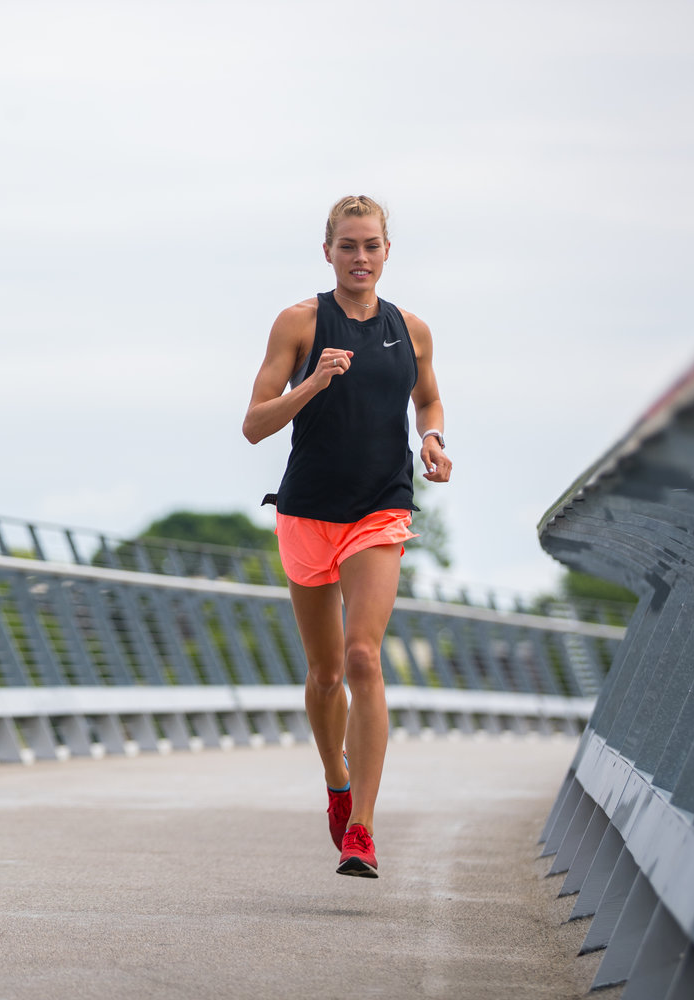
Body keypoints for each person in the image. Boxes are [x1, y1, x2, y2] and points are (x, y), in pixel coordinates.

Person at [241, 195, 451, 878]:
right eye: (348, 246)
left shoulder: (411, 329)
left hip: (380, 509)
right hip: (307, 511)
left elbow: (427, 396)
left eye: (372, 246)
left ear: (388, 251)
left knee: (364, 658)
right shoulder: (300, 323)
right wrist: (315, 381)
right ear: (327, 251)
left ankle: (361, 827)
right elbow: (254, 424)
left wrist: (434, 440)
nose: (361, 258)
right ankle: (336, 777)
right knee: (326, 673)